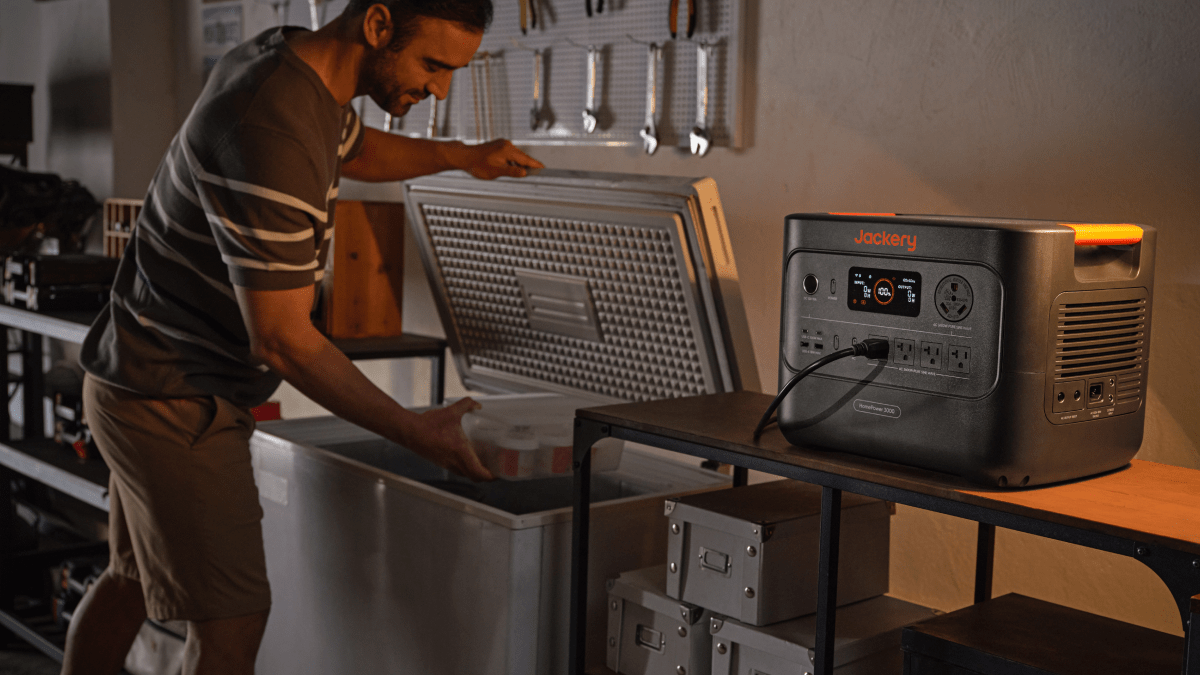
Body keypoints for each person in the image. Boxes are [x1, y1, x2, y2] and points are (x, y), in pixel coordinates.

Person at [62, 1, 542, 673]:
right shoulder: (272, 125)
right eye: (433, 64)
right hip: (175, 400)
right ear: (378, 26)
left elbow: (359, 147)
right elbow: (284, 341)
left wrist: (462, 157)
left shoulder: (289, 62)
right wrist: (414, 428)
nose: (441, 88)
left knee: (129, 582)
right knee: (231, 626)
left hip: (132, 374)